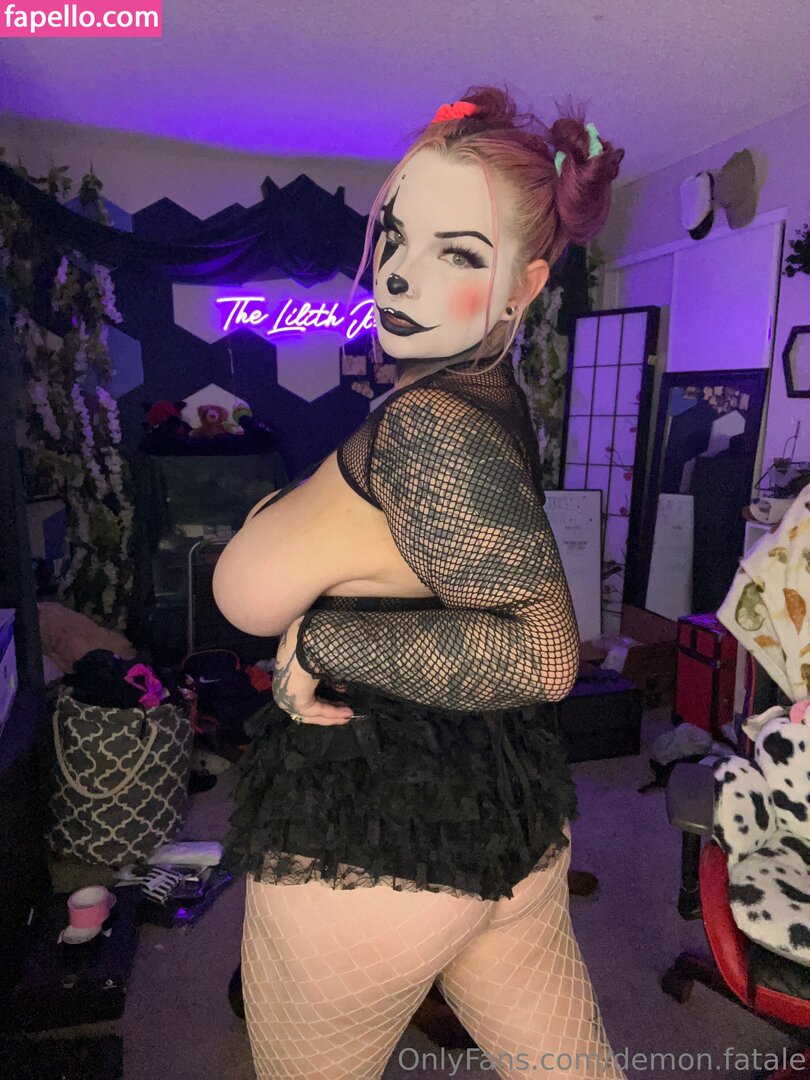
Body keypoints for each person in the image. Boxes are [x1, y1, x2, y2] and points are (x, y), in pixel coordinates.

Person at [213, 83, 627, 1079]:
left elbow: (541, 653)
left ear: (525, 285)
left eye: (458, 253)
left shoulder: (432, 426)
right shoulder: (481, 398)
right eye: (397, 237)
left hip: (368, 835)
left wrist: (323, 638)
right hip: (501, 821)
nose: (398, 272)